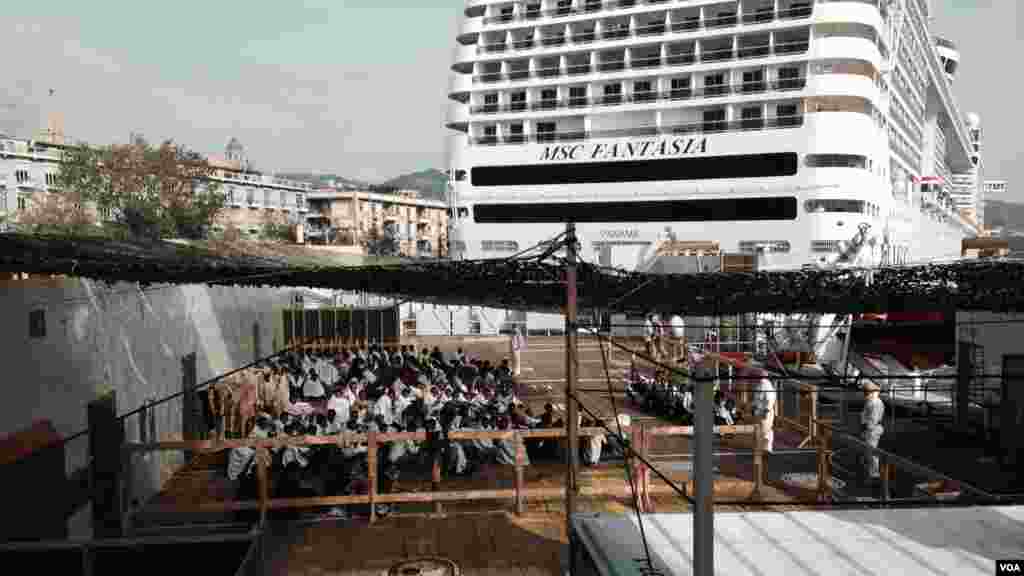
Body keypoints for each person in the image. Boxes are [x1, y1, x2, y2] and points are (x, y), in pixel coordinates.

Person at [861, 381, 885, 480]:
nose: (865, 393)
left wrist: (866, 428)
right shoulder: (871, 401)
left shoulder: (875, 403)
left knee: (871, 452)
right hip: (870, 428)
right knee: (869, 451)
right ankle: (871, 471)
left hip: (872, 429)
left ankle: (874, 474)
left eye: (866, 391)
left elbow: (873, 419)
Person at [751, 367, 776, 454]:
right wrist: (753, 407)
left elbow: (770, 400)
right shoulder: (758, 385)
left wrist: (766, 410)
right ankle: (761, 448)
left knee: (766, 430)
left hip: (765, 411)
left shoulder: (767, 385)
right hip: (758, 411)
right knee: (760, 430)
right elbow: (756, 399)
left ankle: (767, 448)